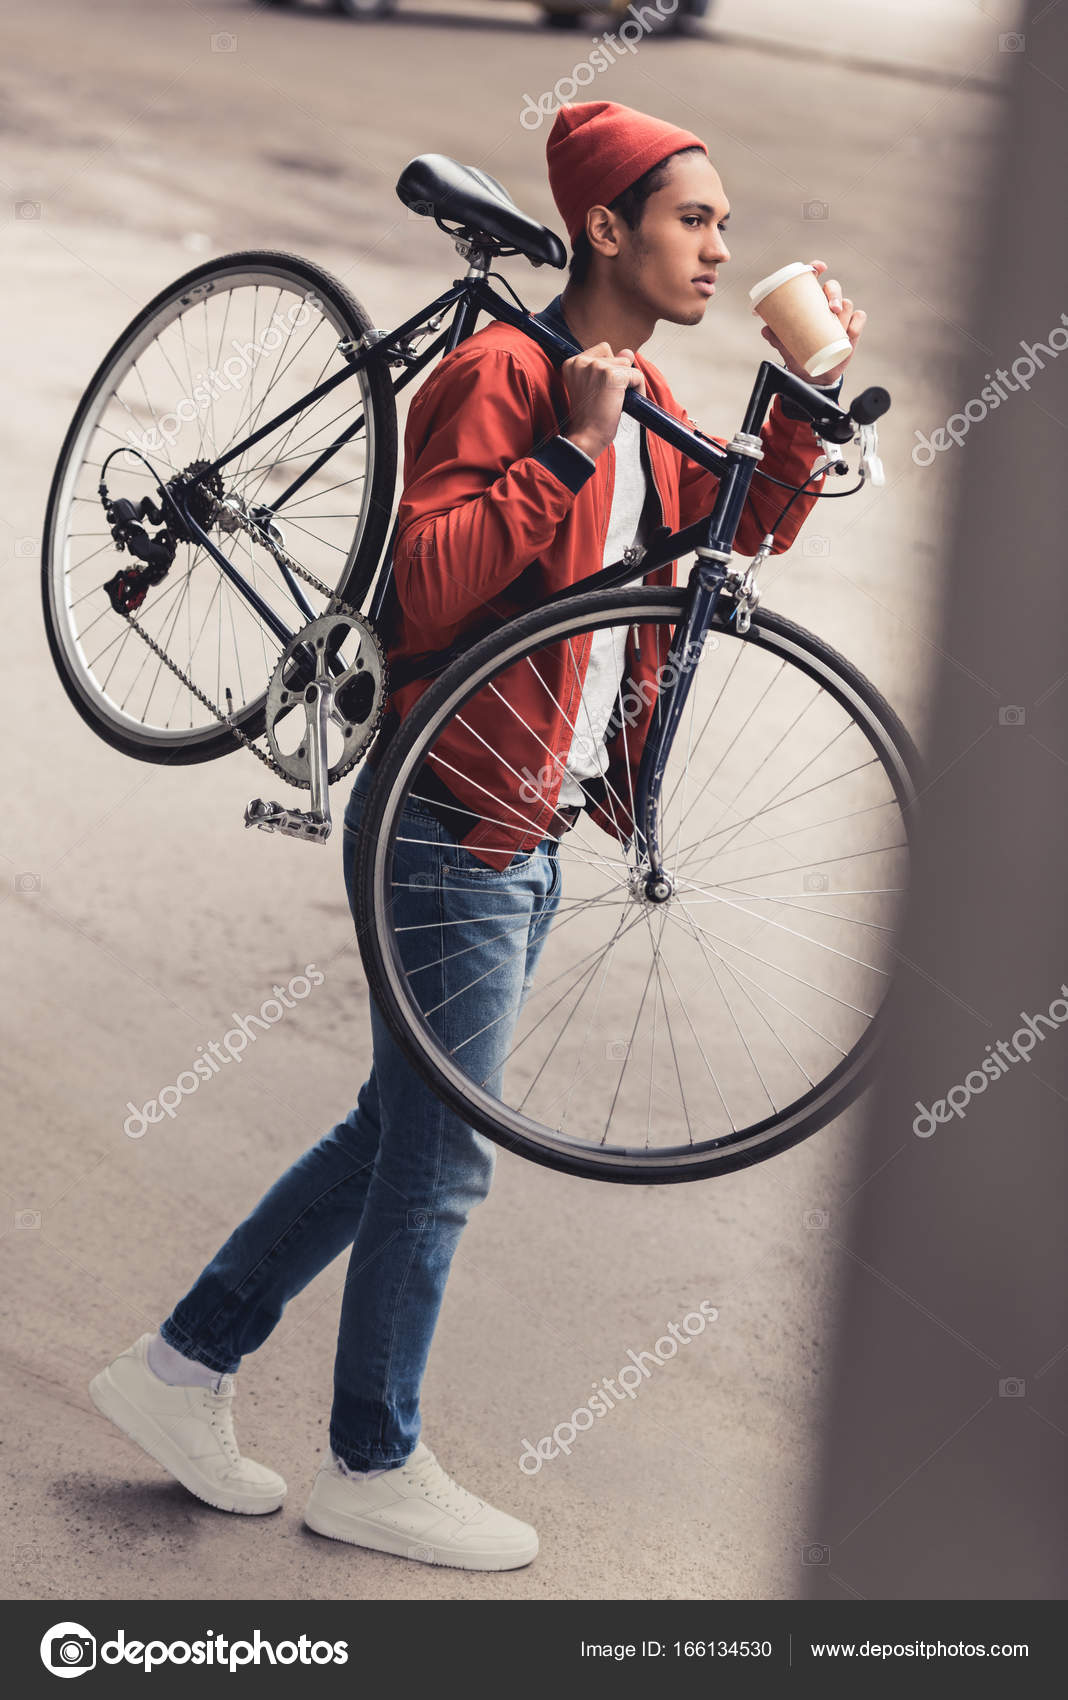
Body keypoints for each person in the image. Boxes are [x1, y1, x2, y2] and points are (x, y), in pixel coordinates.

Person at [89, 101, 865, 1572]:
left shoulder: (637, 395)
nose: (718, 246)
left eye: (722, 225)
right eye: (694, 220)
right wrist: (565, 455)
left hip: (527, 825)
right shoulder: (508, 376)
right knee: (443, 1162)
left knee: (397, 1133)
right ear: (606, 229)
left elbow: (739, 529)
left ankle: (180, 1372)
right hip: (445, 820)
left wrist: (809, 402)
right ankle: (371, 1462)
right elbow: (422, 590)